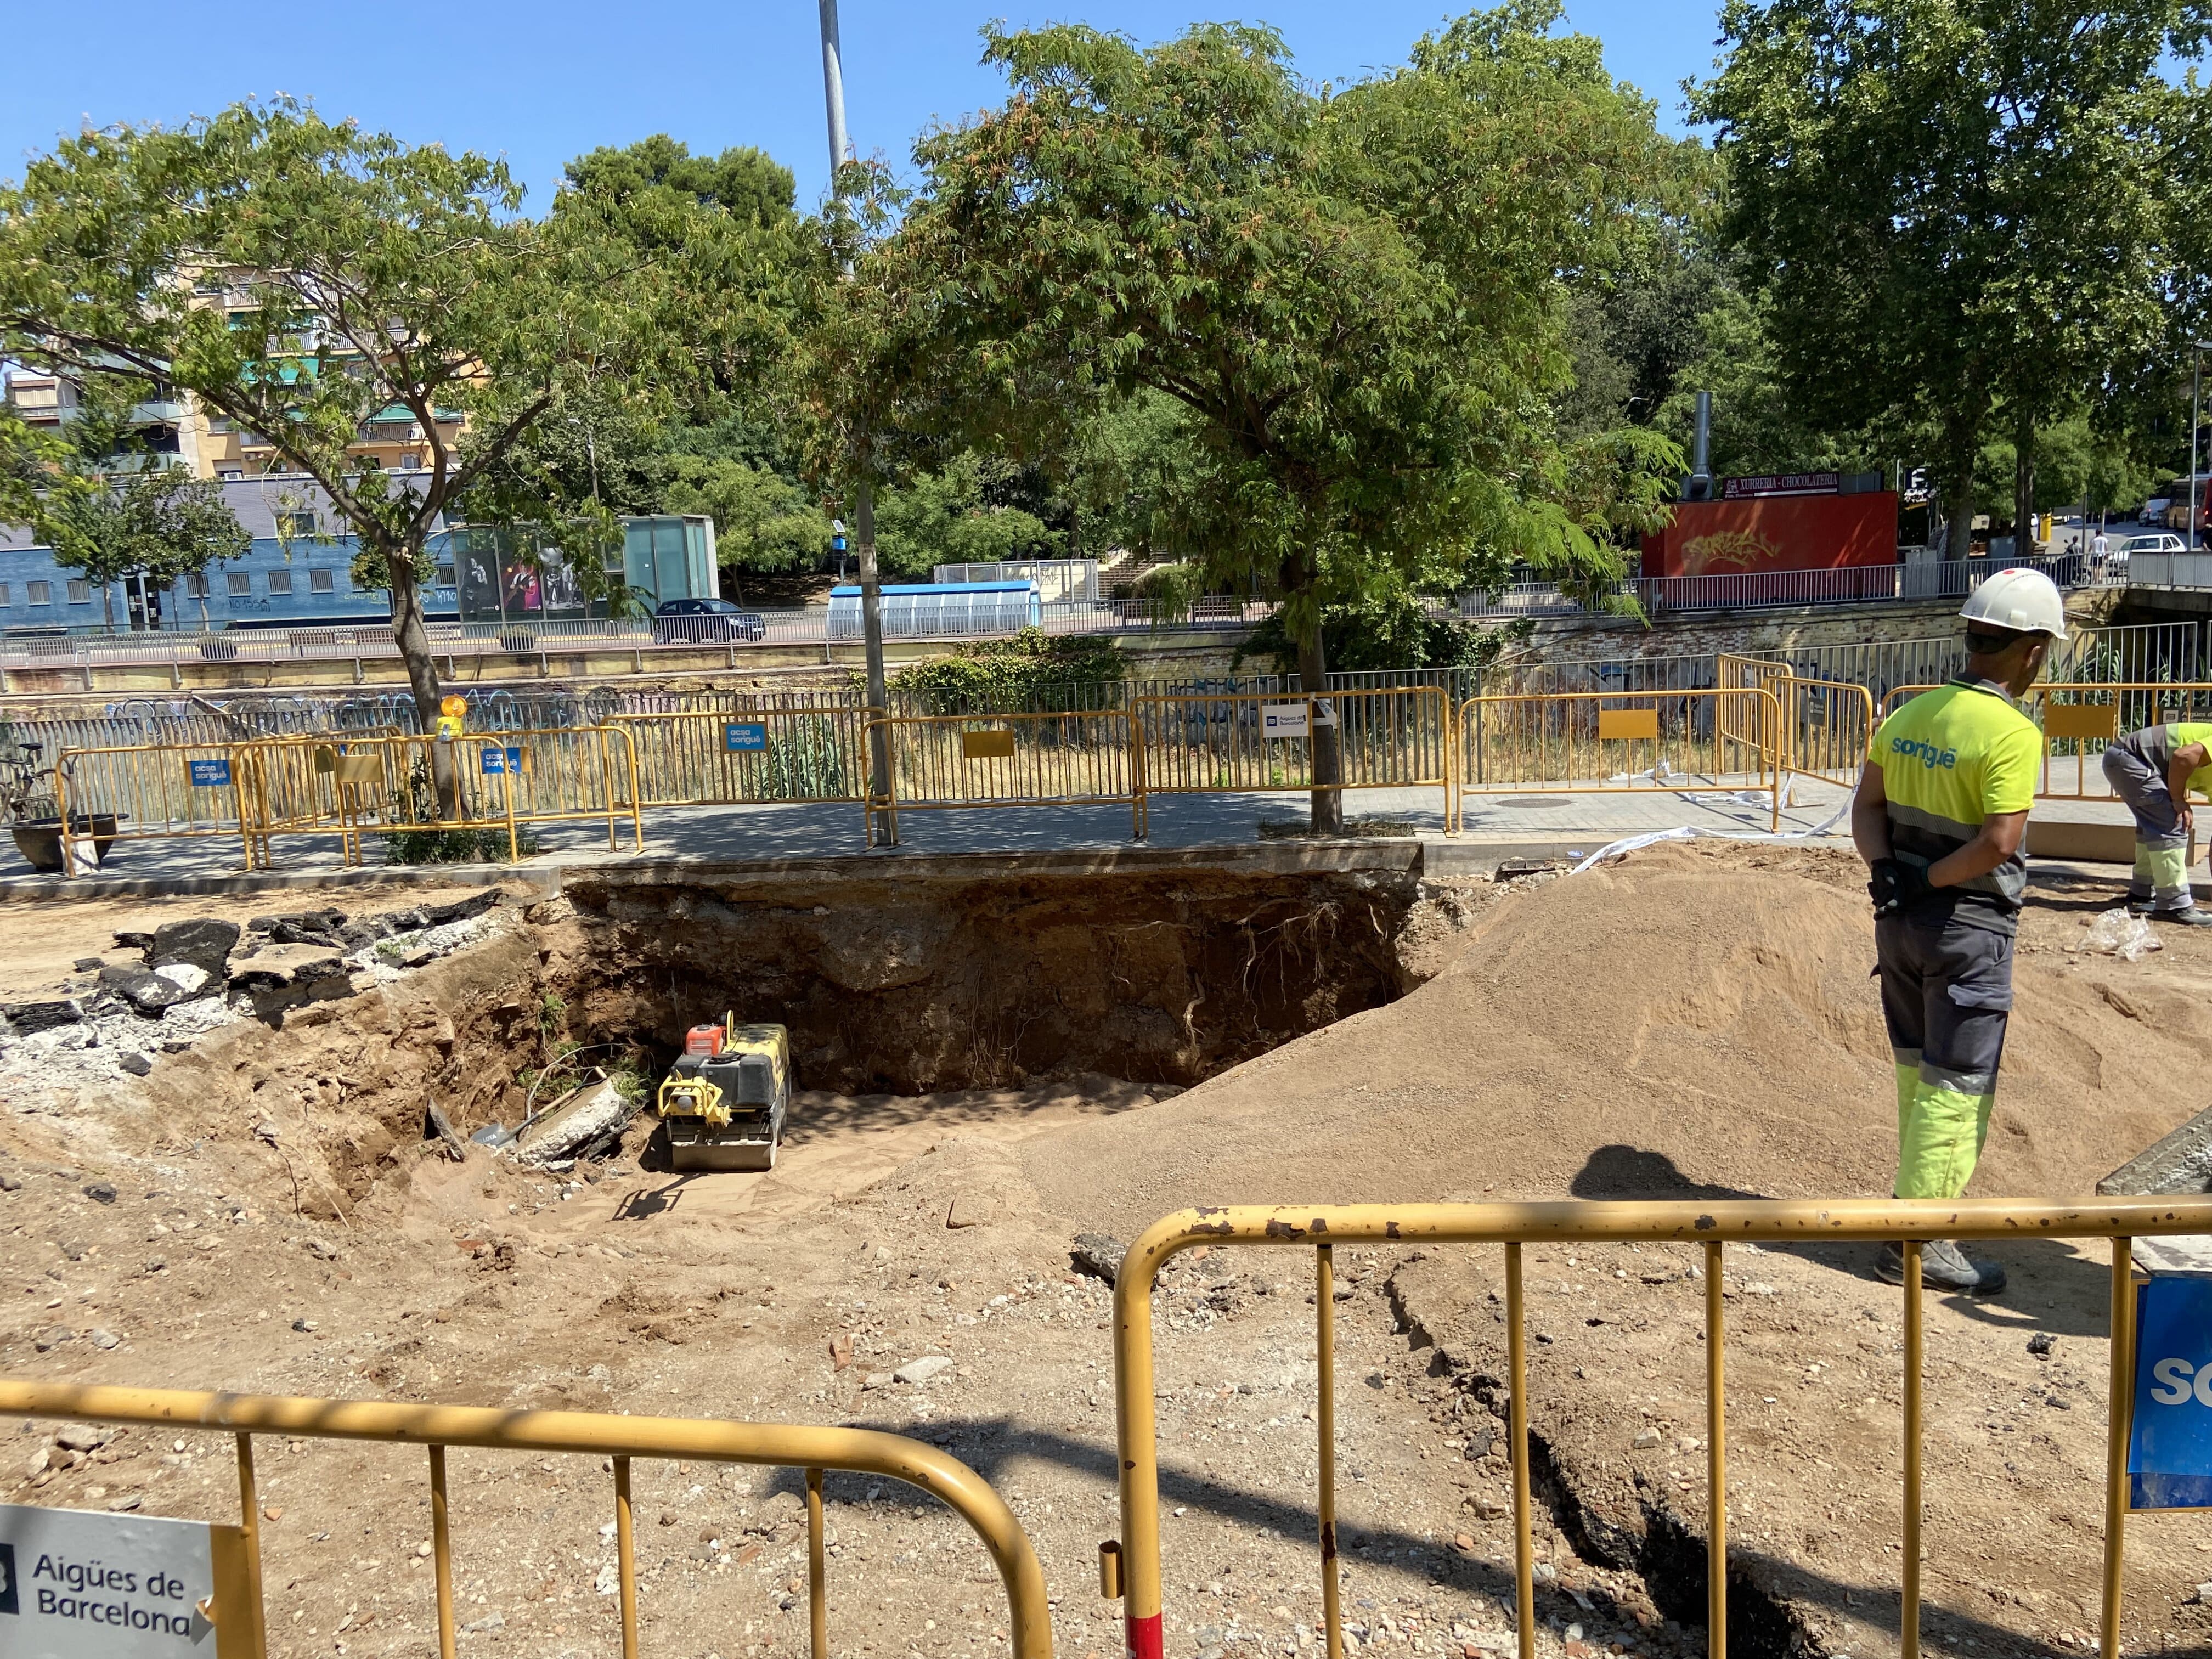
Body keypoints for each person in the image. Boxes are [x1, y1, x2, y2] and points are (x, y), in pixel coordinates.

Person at [1852, 568, 2068, 1296]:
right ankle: (1919, 1243)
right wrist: (1931, 879)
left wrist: (1890, 873)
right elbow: (2000, 842)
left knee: (1918, 1074)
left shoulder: (1909, 715)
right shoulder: (2012, 732)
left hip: (1898, 927)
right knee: (1959, 1085)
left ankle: (1907, 1227)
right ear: (2034, 651)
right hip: (1967, 928)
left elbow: (1867, 808)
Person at [2101, 721, 2212, 924]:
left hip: (2127, 758)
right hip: (2129, 757)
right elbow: (2183, 756)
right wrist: (2179, 800)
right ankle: (2174, 904)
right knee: (2171, 820)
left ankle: (2141, 893)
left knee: (2152, 825)